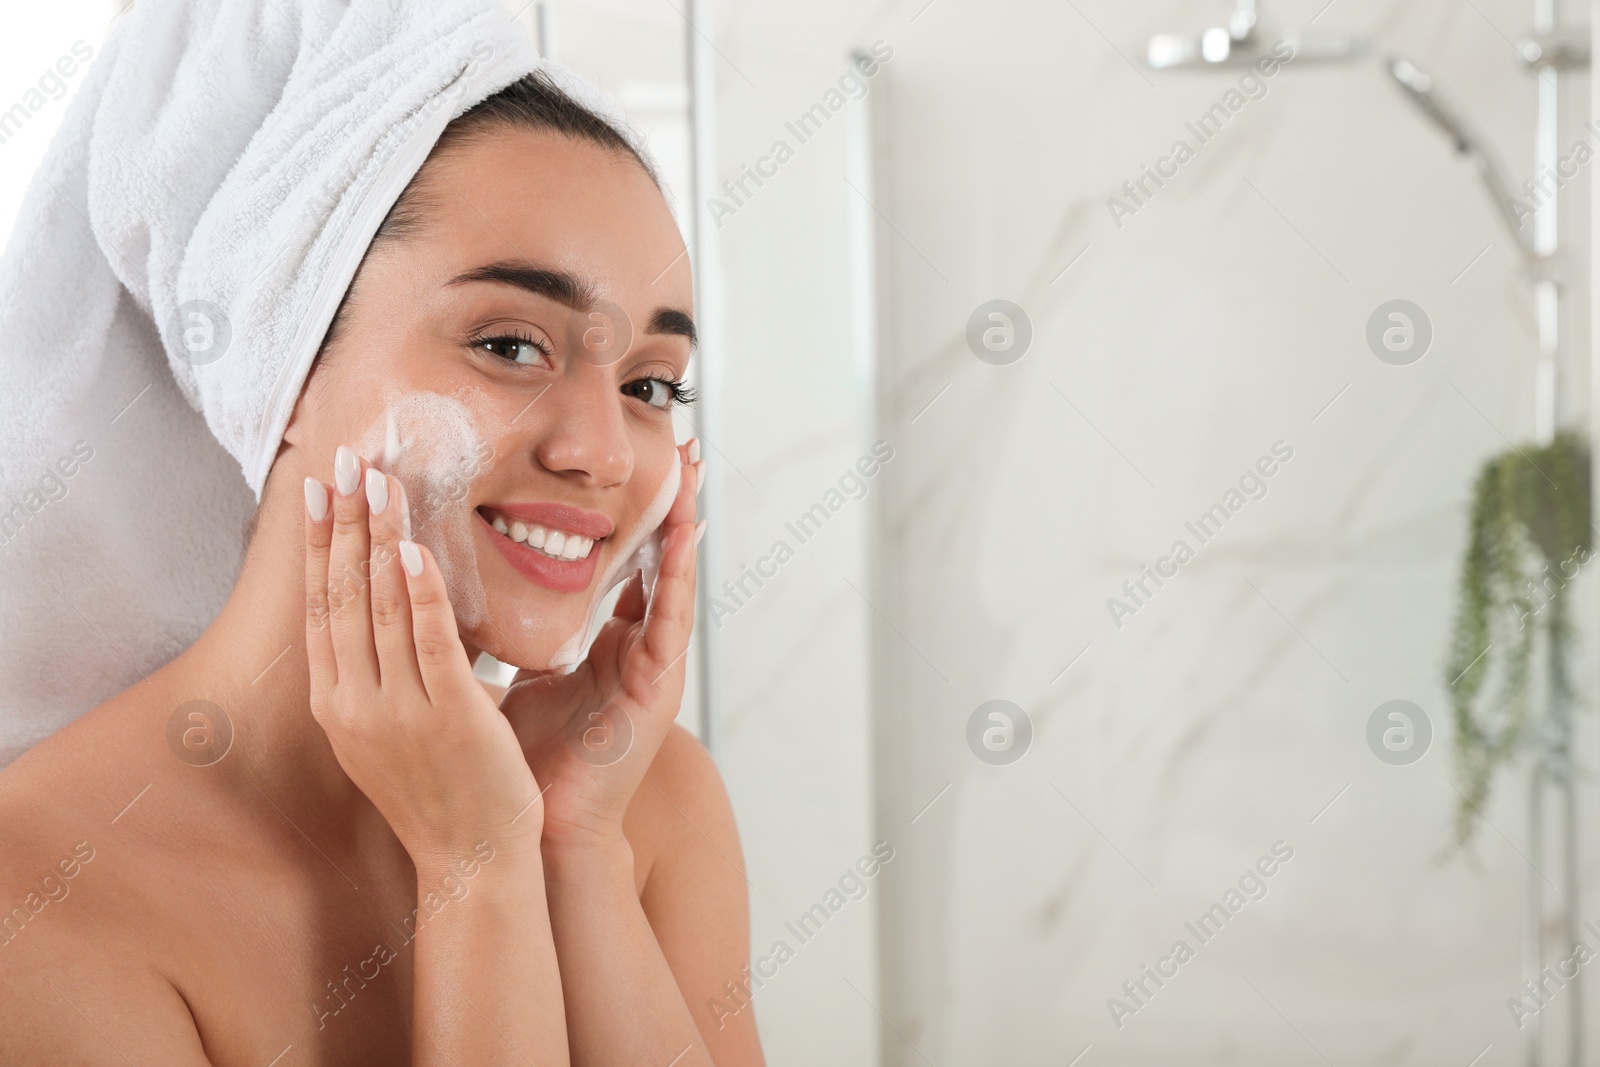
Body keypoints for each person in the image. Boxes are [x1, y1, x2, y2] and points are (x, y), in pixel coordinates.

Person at [0, 67, 764, 1066]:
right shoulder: (47, 891)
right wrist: (480, 867)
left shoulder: (644, 800)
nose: (606, 452)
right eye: (510, 343)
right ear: (283, 369)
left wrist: (576, 854)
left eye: (650, 383)